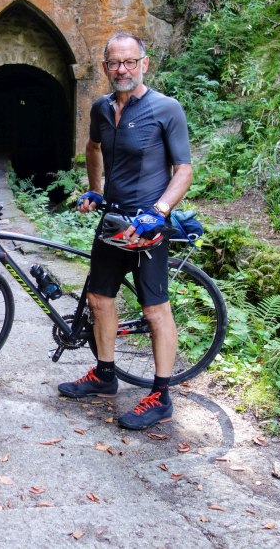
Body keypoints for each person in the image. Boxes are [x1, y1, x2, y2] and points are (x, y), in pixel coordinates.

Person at [58, 31, 193, 431]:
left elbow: (183, 170)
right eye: (115, 63)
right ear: (104, 68)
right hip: (113, 222)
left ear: (144, 64)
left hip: (147, 227)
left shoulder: (167, 109)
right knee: (99, 300)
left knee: (154, 309)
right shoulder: (101, 108)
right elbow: (93, 147)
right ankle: (104, 375)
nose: (123, 69)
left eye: (130, 62)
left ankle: (161, 396)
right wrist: (96, 191)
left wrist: (160, 211)